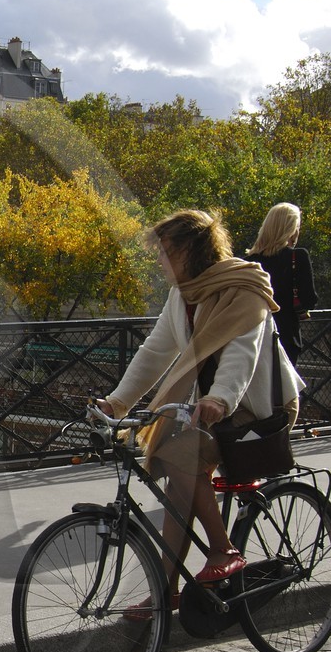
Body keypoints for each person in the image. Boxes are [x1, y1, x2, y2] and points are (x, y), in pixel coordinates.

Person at [95, 209, 304, 605]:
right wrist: (118, 401)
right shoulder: (183, 295)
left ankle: (224, 550)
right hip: (214, 407)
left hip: (258, 408)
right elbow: (155, 352)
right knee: (179, 482)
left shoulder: (244, 288)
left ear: (191, 250)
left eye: (166, 252)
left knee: (178, 456)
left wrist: (218, 398)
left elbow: (242, 353)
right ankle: (167, 590)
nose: (160, 261)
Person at [247, 202, 318, 362]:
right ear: (291, 229)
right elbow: (309, 300)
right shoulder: (298, 256)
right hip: (285, 337)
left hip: (253, 338)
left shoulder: (247, 262)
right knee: (283, 386)